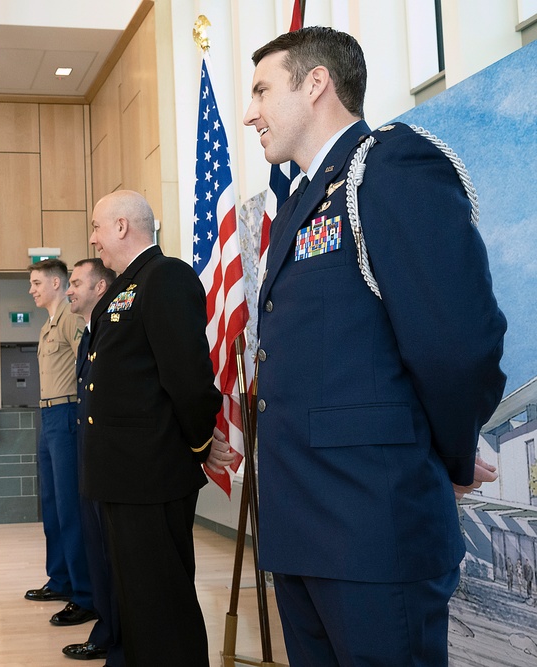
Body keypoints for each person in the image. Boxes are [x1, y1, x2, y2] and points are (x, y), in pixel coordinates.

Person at [243, 26, 506, 665]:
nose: (250, 112)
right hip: (304, 525)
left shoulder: (391, 167)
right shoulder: (303, 200)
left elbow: (455, 343)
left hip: (373, 526)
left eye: (260, 90)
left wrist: (450, 453)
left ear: (315, 84)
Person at [84, 190, 229, 665]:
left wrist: (201, 442)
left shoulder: (164, 276)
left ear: (122, 226)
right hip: (125, 475)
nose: (94, 239)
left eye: (97, 227)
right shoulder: (128, 285)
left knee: (163, 606)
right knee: (139, 605)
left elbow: (187, 376)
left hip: (152, 473)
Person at [24, 258, 96, 628]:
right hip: (48, 417)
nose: (33, 290)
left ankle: (84, 595)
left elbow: (87, 367)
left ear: (56, 283)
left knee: (70, 507)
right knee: (51, 506)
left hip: (67, 414)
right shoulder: (47, 325)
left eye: (37, 283)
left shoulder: (69, 319)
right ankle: (61, 579)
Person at [61, 258, 123, 664]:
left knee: (110, 556)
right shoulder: (89, 333)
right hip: (91, 452)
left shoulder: (109, 328)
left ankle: (114, 635)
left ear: (100, 287)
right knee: (96, 551)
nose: (70, 289)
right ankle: (107, 630)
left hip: (112, 459)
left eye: (77, 282)